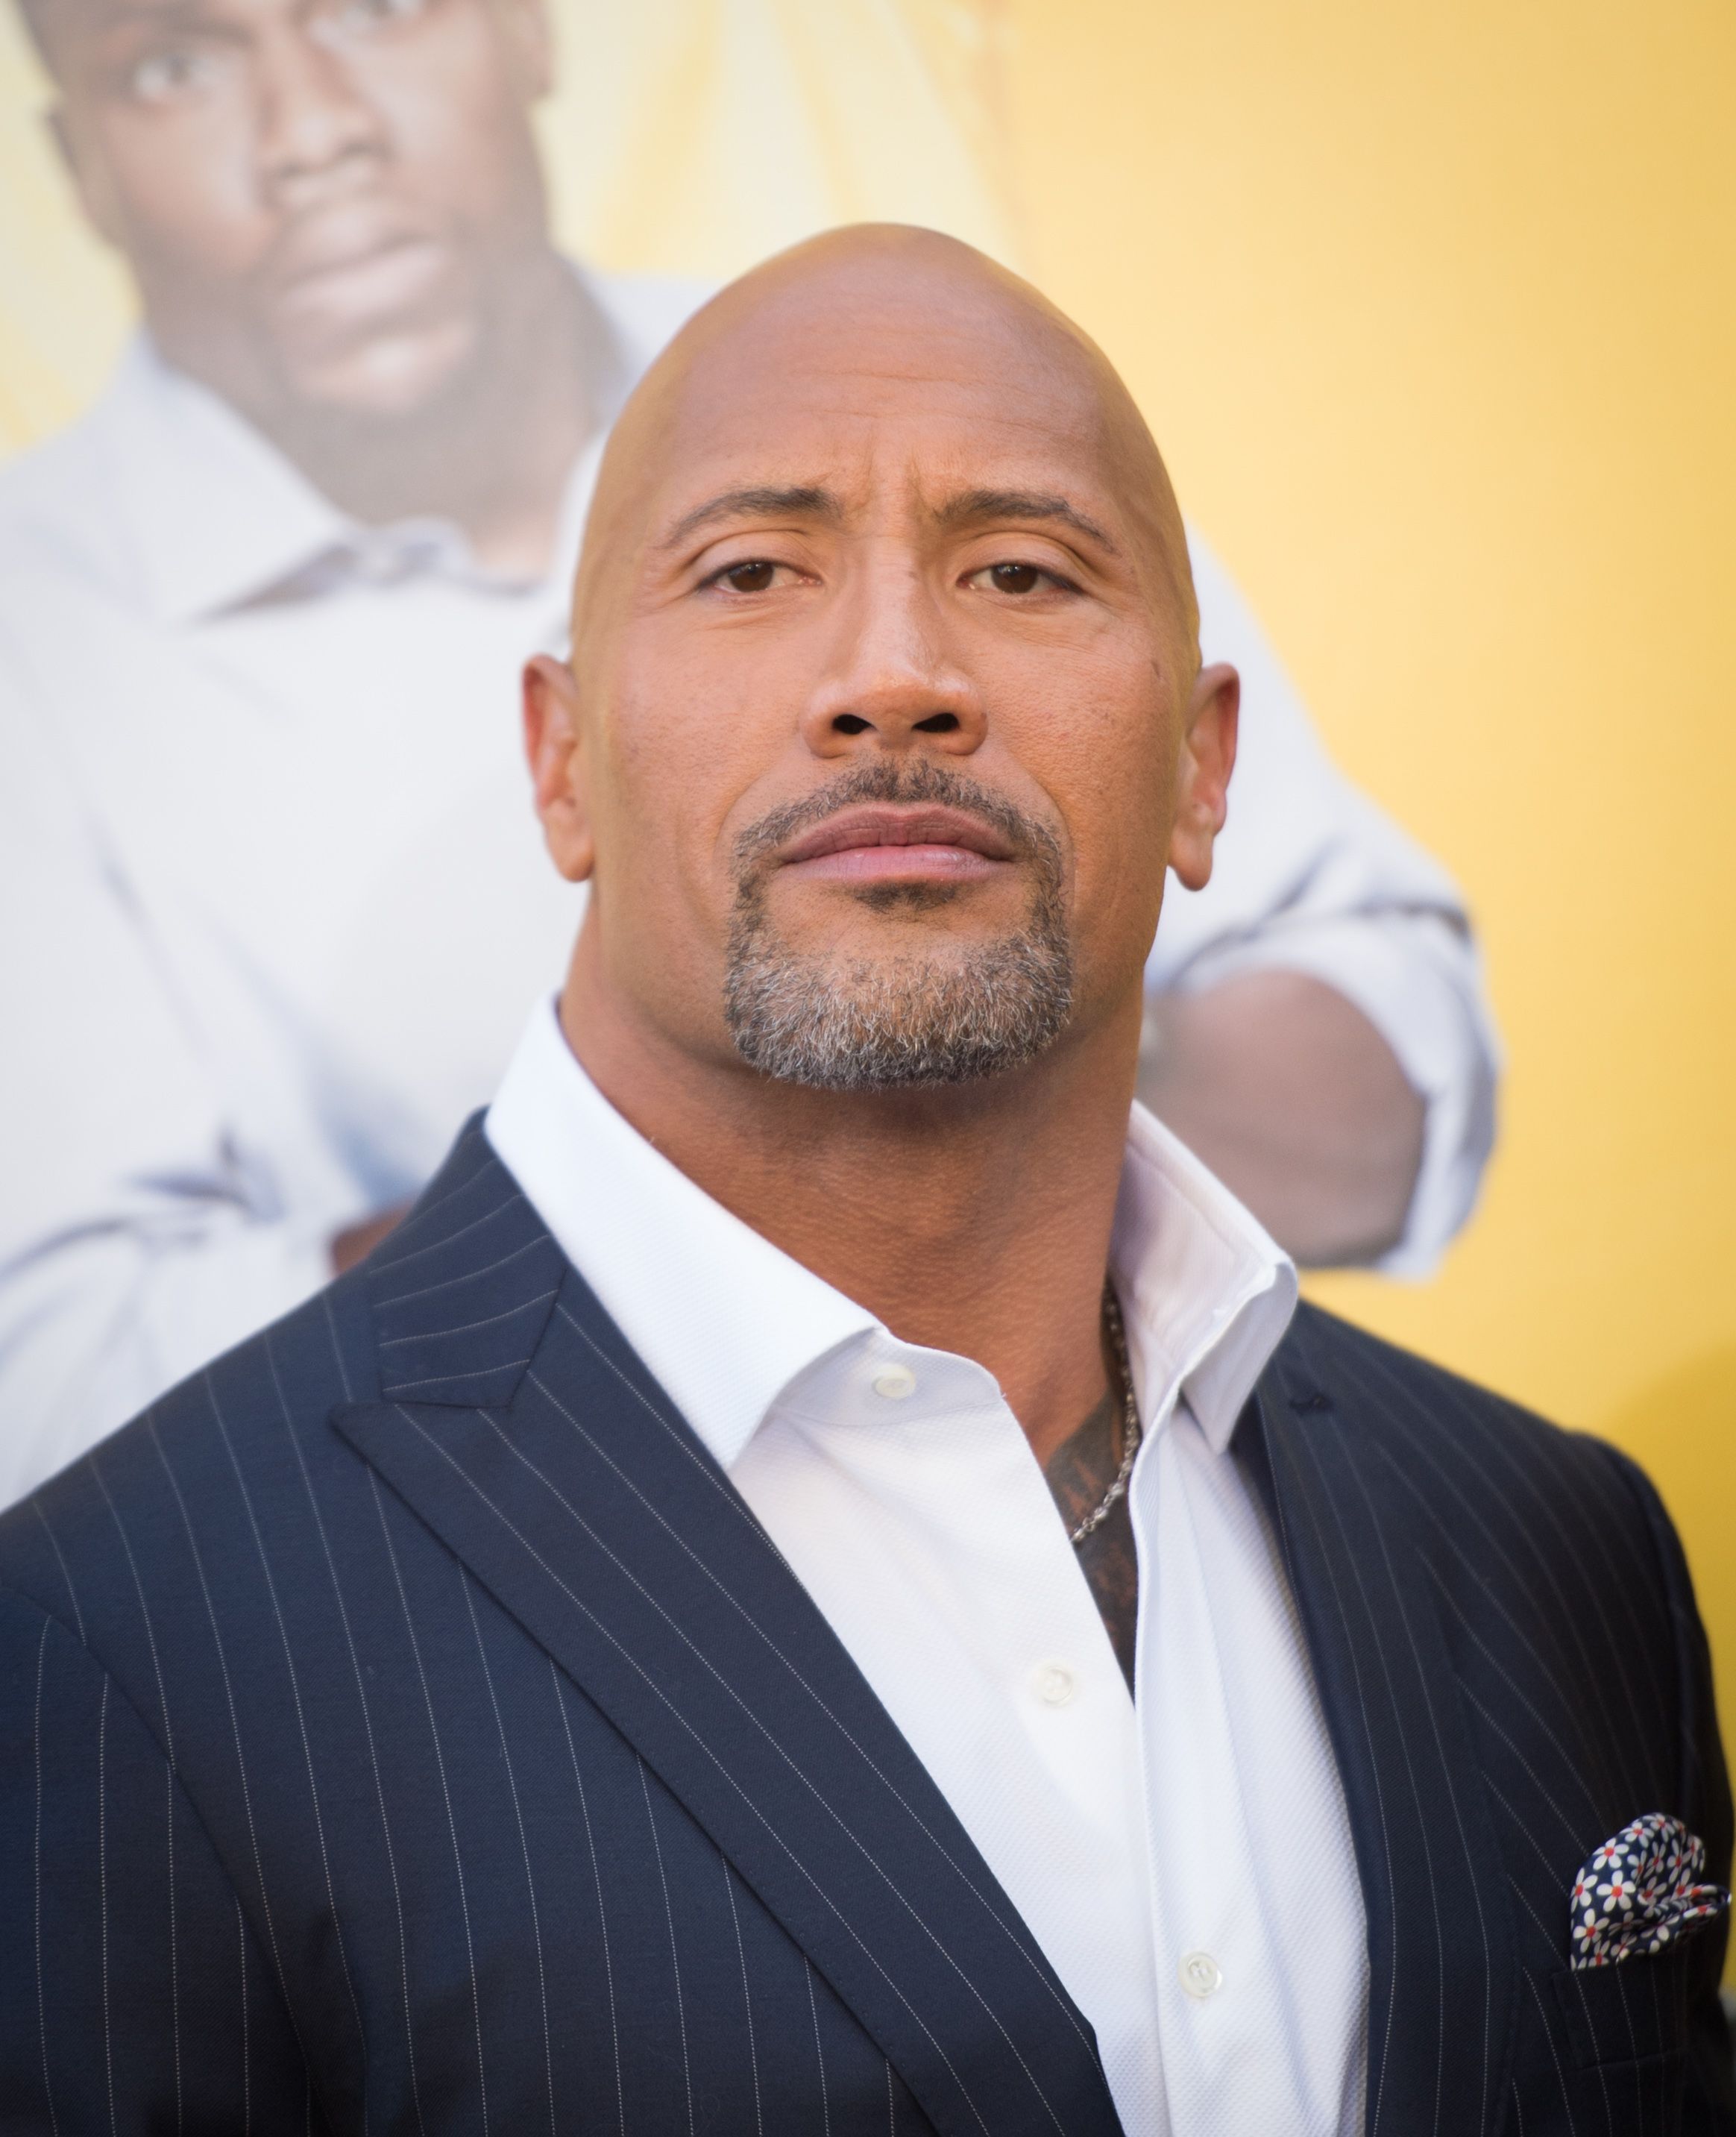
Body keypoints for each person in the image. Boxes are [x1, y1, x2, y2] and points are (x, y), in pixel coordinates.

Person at [0, 227, 1724, 2137]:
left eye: (1019, 569)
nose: (895, 674)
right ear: (560, 763)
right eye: (752, 571)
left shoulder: (1558, 1545)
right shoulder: (123, 1643)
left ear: (1206, 768)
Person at [0, 0, 1497, 1508]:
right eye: (176, 62)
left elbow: (1391, 1083)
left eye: (382, 11)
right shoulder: (32, 641)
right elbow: (66, 1401)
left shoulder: (926, 380)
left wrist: (929, 1026)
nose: (313, 130)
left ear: (524, 31)